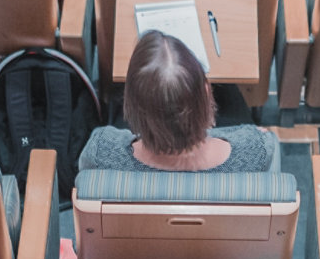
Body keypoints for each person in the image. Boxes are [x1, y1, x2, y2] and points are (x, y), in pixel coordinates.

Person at [79, 31, 277, 173]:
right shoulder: (257, 150)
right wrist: (254, 135)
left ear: (130, 104)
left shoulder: (102, 151)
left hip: (135, 231)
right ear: (207, 93)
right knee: (231, 91)